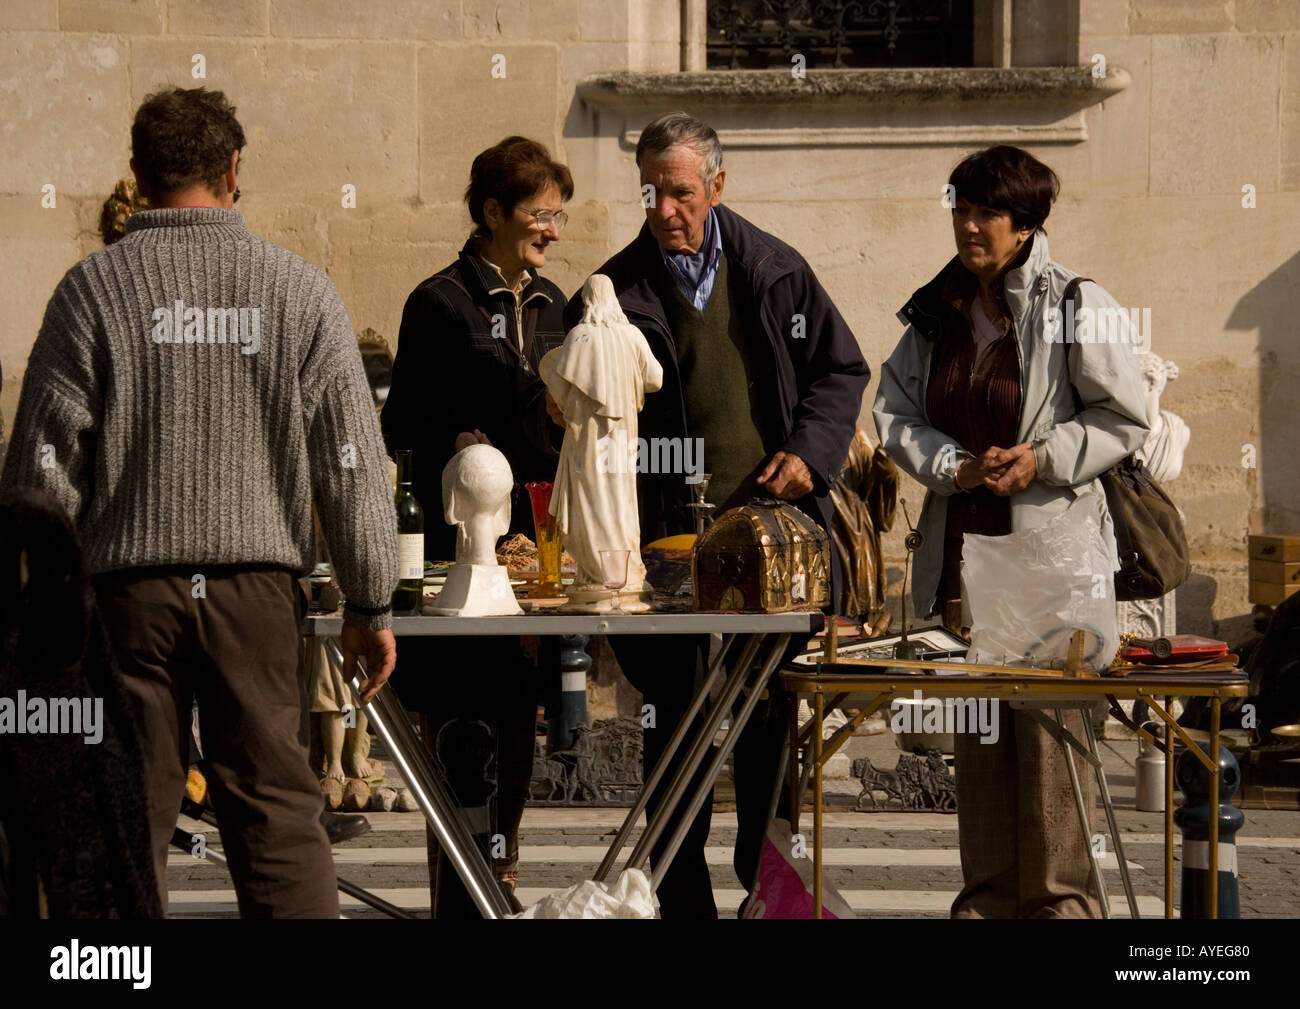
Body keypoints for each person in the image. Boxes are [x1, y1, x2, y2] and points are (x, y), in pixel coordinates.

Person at [1, 87, 399, 917]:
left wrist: (37, 611)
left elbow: (40, 470)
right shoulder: (299, 291)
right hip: (255, 590)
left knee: (124, 818)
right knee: (278, 813)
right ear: (233, 169)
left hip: (126, 599)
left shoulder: (92, 293)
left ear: (139, 173)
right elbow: (353, 461)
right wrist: (370, 598)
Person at [565, 112, 870, 917]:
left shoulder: (774, 269)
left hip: (770, 544)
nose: (666, 208)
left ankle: (769, 891)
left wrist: (808, 451)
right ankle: (680, 900)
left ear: (718, 188)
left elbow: (841, 369)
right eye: (652, 191)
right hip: (667, 549)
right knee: (676, 727)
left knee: (771, 722)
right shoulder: (614, 290)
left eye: (682, 192)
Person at [873, 144, 1148, 918]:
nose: (968, 224)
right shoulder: (937, 309)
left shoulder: (1076, 303)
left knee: (1052, 747)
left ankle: (1062, 908)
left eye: (985, 212)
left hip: (1049, 566)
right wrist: (951, 465)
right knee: (983, 736)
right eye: (959, 208)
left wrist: (1045, 457)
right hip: (965, 560)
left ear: (1024, 225)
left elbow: (1126, 417)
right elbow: (893, 412)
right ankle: (988, 905)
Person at [380, 136, 572, 915]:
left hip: (537, 560)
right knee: (463, 736)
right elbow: (404, 427)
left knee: (516, 735)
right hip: (460, 563)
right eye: (539, 215)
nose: (553, 230)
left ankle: (501, 881)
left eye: (558, 217)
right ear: (492, 212)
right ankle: (461, 897)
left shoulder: (556, 306)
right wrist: (455, 444)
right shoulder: (439, 302)